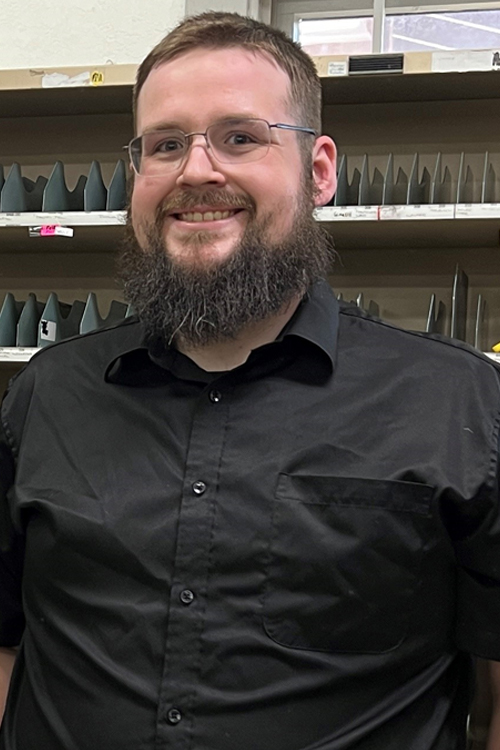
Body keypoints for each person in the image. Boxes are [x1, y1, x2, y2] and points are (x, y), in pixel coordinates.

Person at [0, 11, 499, 750]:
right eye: (165, 145)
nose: (197, 170)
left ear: (320, 170)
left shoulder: (461, 405)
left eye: (241, 137)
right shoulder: (46, 394)